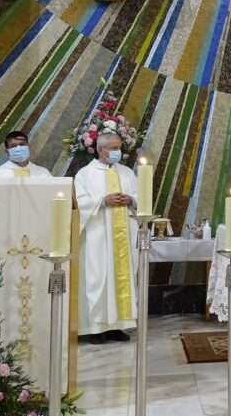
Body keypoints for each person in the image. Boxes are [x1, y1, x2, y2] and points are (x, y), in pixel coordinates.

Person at [74, 132, 138, 344]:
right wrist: (102, 201)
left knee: (122, 278)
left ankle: (118, 325)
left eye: (119, 147)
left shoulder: (128, 173)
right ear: (100, 150)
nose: (117, 152)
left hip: (124, 234)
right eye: (112, 148)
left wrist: (130, 199)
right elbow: (80, 202)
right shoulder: (85, 174)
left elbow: (141, 197)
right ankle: (96, 328)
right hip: (98, 235)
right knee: (98, 279)